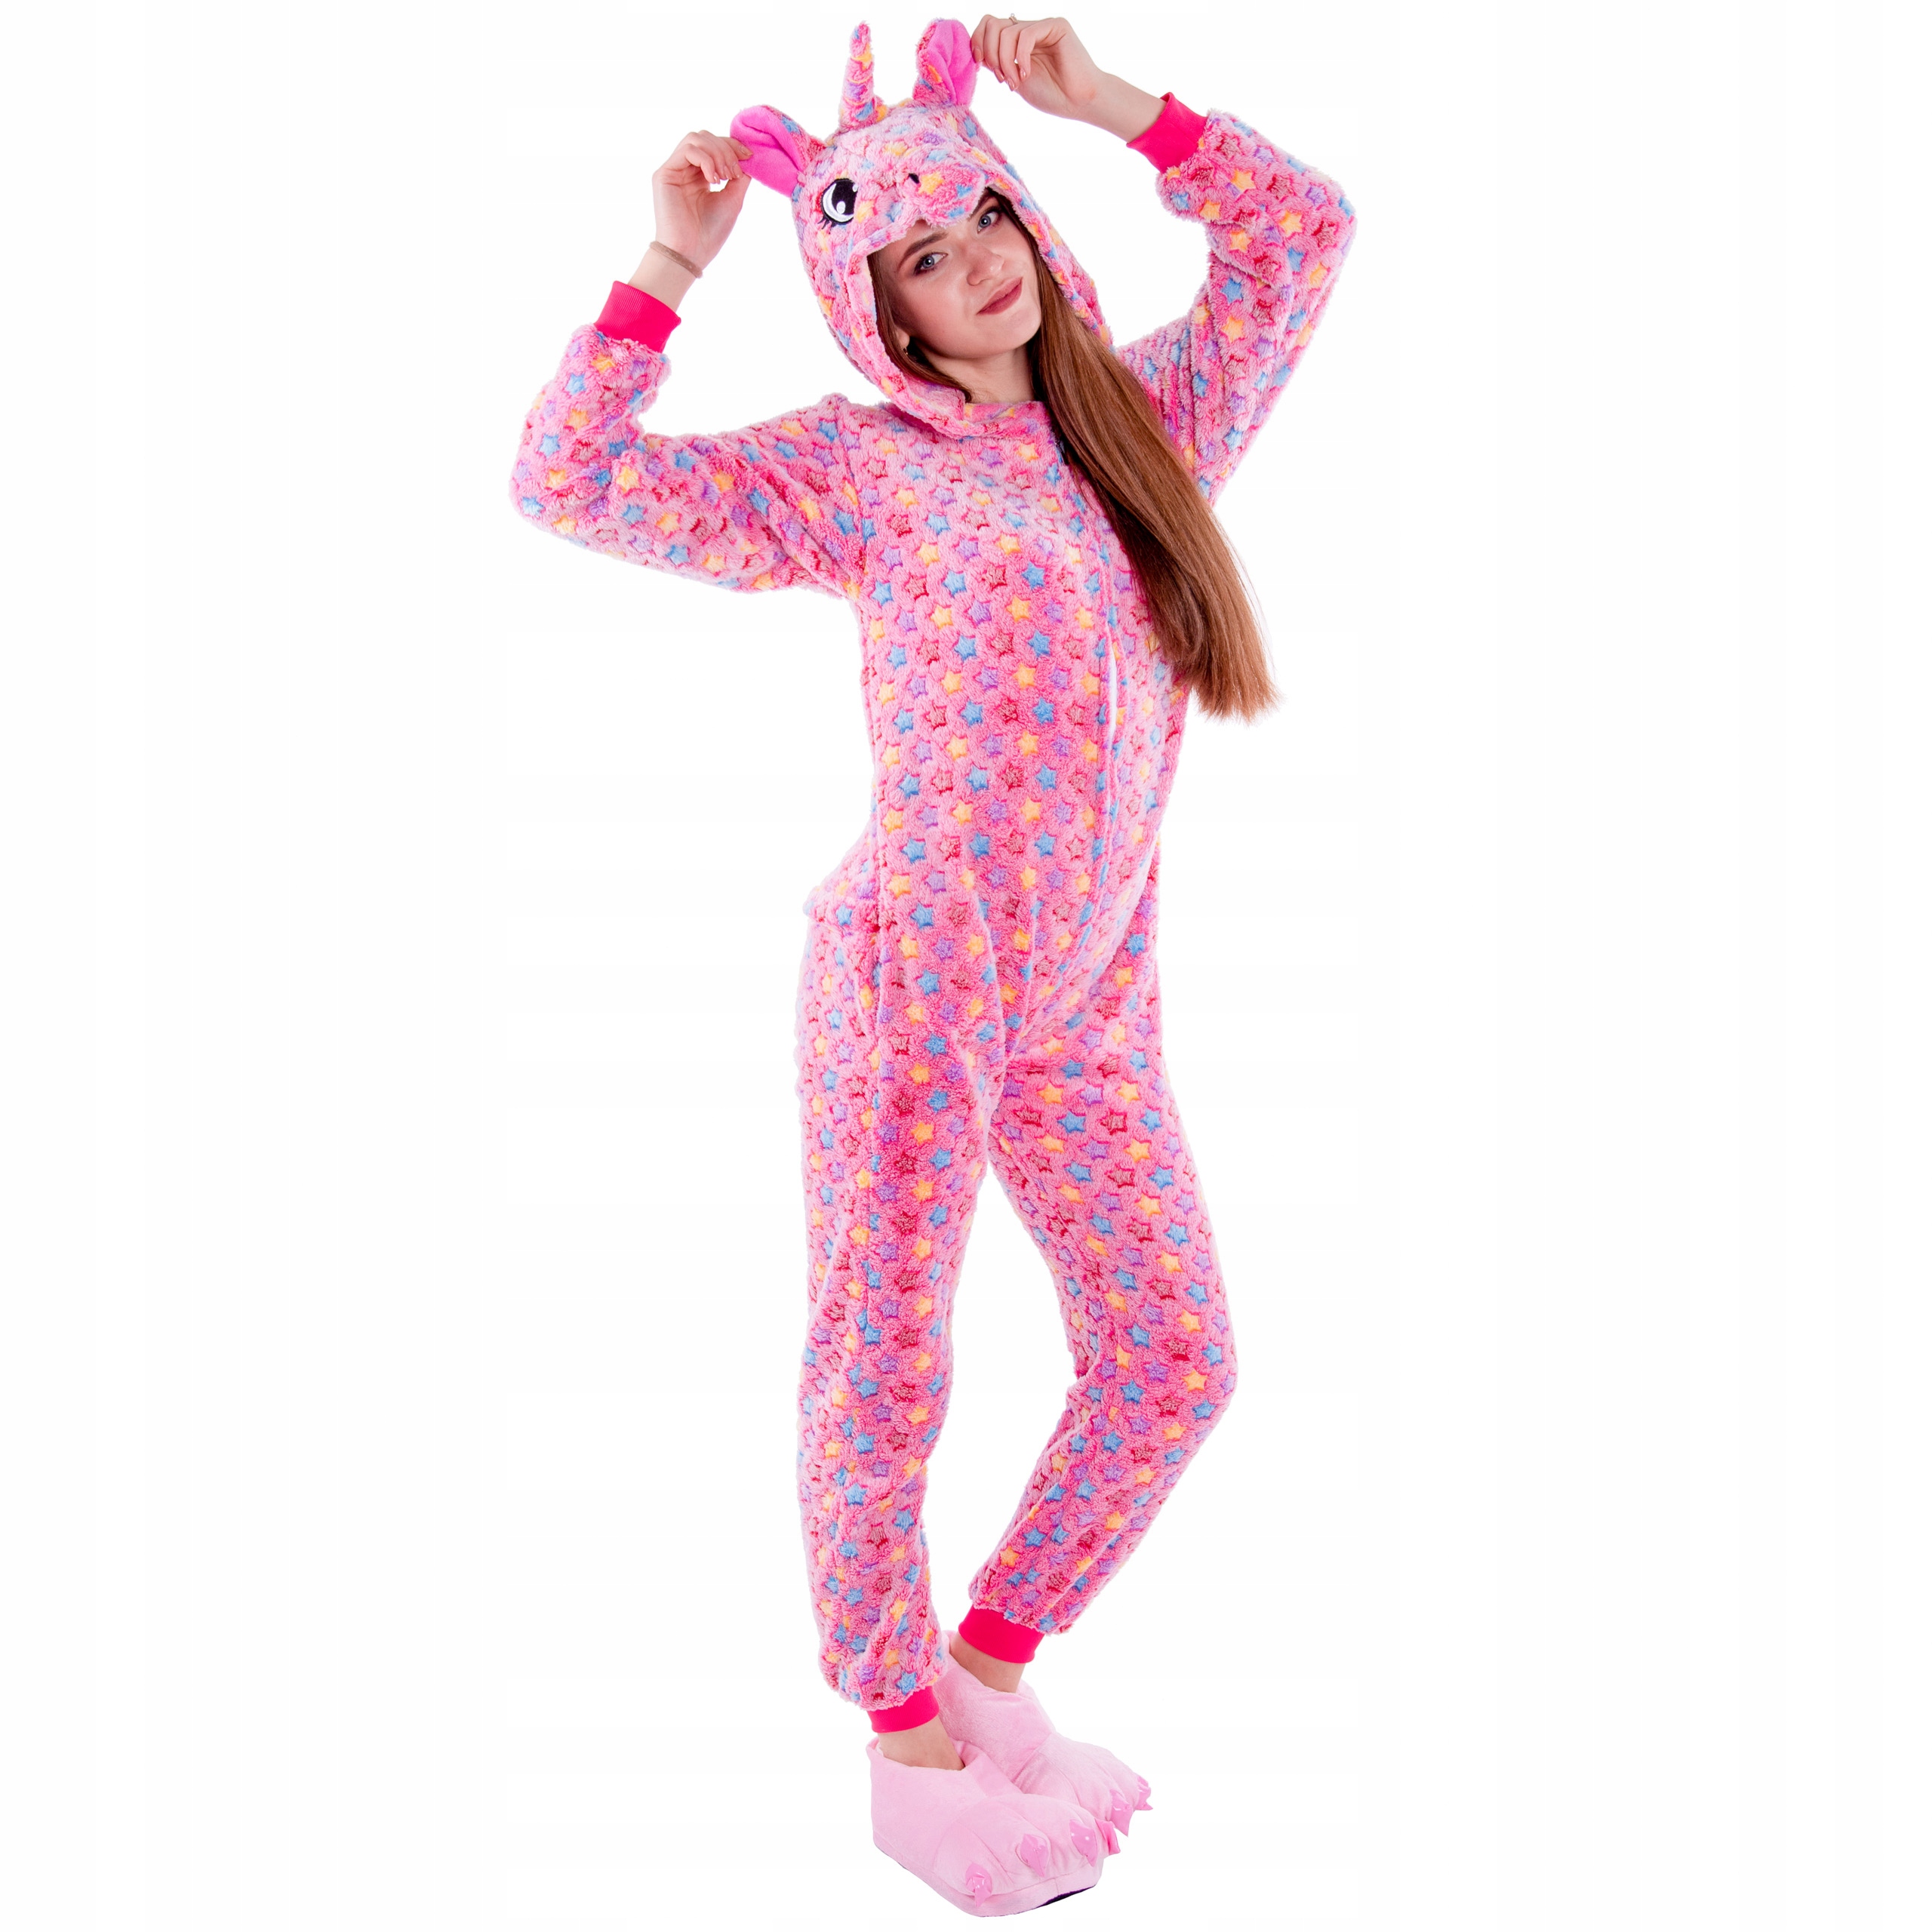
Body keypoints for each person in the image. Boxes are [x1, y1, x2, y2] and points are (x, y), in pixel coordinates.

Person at [509, 12, 1357, 1914]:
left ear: (1027, 221)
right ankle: (899, 1742)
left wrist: (1113, 108)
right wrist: (663, 266)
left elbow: (1302, 232)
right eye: (913, 255)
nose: (968, 264)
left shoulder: (1149, 430)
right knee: (885, 1355)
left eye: (980, 219)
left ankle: (984, 1668)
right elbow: (564, 478)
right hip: (912, 978)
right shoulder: (860, 468)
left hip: (1086, 1002)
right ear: (866, 306)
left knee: (1173, 1358)